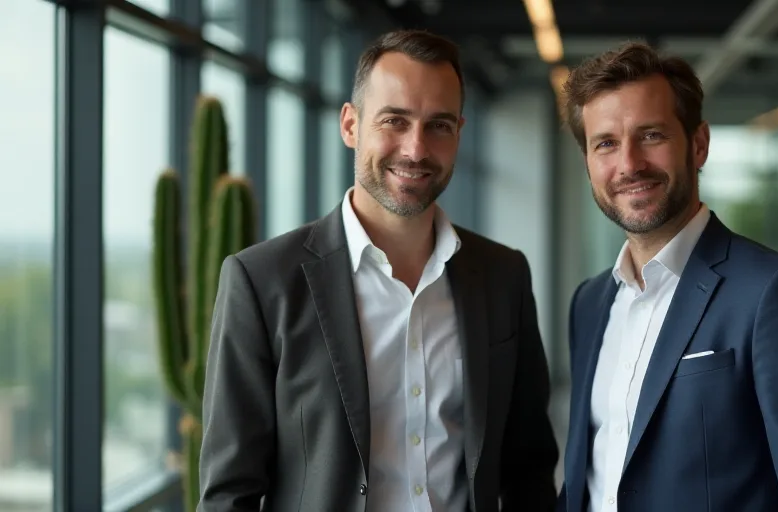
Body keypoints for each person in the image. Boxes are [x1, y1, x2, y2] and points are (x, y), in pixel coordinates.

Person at [198, 29, 559, 512]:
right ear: (351, 125)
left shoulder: (503, 276)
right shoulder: (263, 282)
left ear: (459, 132)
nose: (416, 149)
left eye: (438, 126)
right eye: (395, 121)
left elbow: (529, 467)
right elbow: (230, 493)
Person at [555, 42, 778, 512]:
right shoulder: (590, 302)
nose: (629, 164)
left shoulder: (776, 292)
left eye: (651, 135)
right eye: (606, 144)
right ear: (588, 162)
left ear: (698, 144)